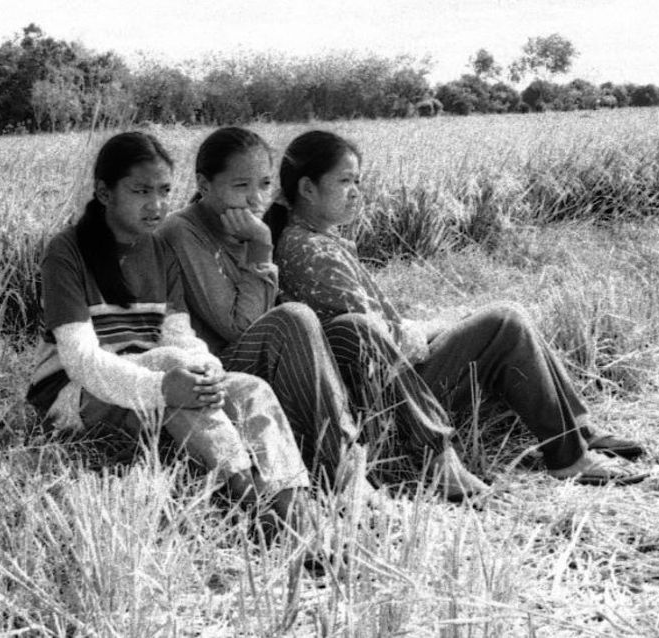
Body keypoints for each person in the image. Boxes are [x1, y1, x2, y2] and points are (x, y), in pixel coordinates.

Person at [263, 130, 650, 486]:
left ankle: (579, 430)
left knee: (501, 317)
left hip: (389, 380)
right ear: (307, 188)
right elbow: (382, 338)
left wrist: (446, 325)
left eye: (358, 181)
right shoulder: (310, 251)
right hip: (389, 399)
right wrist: (441, 326)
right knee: (505, 319)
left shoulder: (315, 241)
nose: (356, 192)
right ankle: (568, 456)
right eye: (345, 181)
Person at [157, 126, 489, 501]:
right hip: (220, 369)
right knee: (295, 317)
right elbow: (240, 327)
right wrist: (261, 245)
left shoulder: (240, 226)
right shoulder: (184, 232)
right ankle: (346, 475)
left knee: (352, 327)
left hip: (264, 356)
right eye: (240, 186)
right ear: (204, 184)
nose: (255, 199)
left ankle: (436, 454)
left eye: (264, 184)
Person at [25, 131, 310, 541]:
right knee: (169, 364)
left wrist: (206, 371)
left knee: (249, 388)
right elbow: (80, 361)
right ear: (105, 192)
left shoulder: (159, 251)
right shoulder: (67, 251)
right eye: (141, 191)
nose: (157, 205)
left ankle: (299, 513)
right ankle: (252, 503)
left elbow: (180, 336)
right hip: (75, 396)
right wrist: (164, 387)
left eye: (164, 191)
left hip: (142, 388)